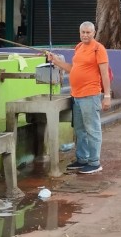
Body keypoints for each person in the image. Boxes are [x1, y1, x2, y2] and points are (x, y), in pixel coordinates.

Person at [45, 21, 111, 174]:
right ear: (80, 33)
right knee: (80, 130)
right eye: (83, 32)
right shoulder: (79, 47)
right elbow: (73, 69)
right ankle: (82, 159)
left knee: (92, 130)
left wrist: (106, 96)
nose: (85, 35)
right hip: (76, 95)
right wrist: (56, 60)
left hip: (90, 95)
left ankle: (94, 162)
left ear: (94, 33)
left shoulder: (98, 49)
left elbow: (104, 74)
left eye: (88, 32)